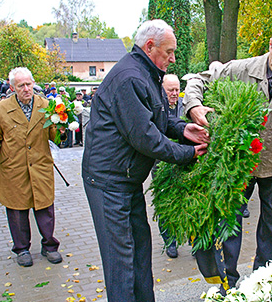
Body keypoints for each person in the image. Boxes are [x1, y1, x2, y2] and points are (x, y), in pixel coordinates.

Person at [183, 25, 272, 289]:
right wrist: (194, 106)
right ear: (270, 45)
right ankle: (227, 284)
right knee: (229, 224)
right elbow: (199, 80)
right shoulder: (241, 69)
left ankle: (264, 282)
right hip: (239, 166)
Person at [82, 19, 209, 302]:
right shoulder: (130, 77)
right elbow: (145, 138)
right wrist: (188, 154)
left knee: (140, 250)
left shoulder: (148, 74)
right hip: (107, 182)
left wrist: (183, 129)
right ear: (149, 46)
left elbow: (159, 119)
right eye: (169, 52)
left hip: (127, 179)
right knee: (121, 260)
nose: (173, 58)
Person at [0, 67, 64, 267]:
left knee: (45, 208)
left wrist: (63, 127)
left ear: (33, 84)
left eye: (28, 84)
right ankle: (22, 249)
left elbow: (54, 137)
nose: (26, 89)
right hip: (14, 169)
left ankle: (50, 246)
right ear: (13, 87)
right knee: (17, 211)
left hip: (40, 167)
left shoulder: (47, 105)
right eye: (21, 85)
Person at [153, 74, 183, 258]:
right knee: (165, 203)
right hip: (161, 164)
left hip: (185, 162)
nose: (174, 93)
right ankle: (170, 241)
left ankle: (196, 242)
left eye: (177, 90)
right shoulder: (156, 107)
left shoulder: (186, 106)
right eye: (170, 90)